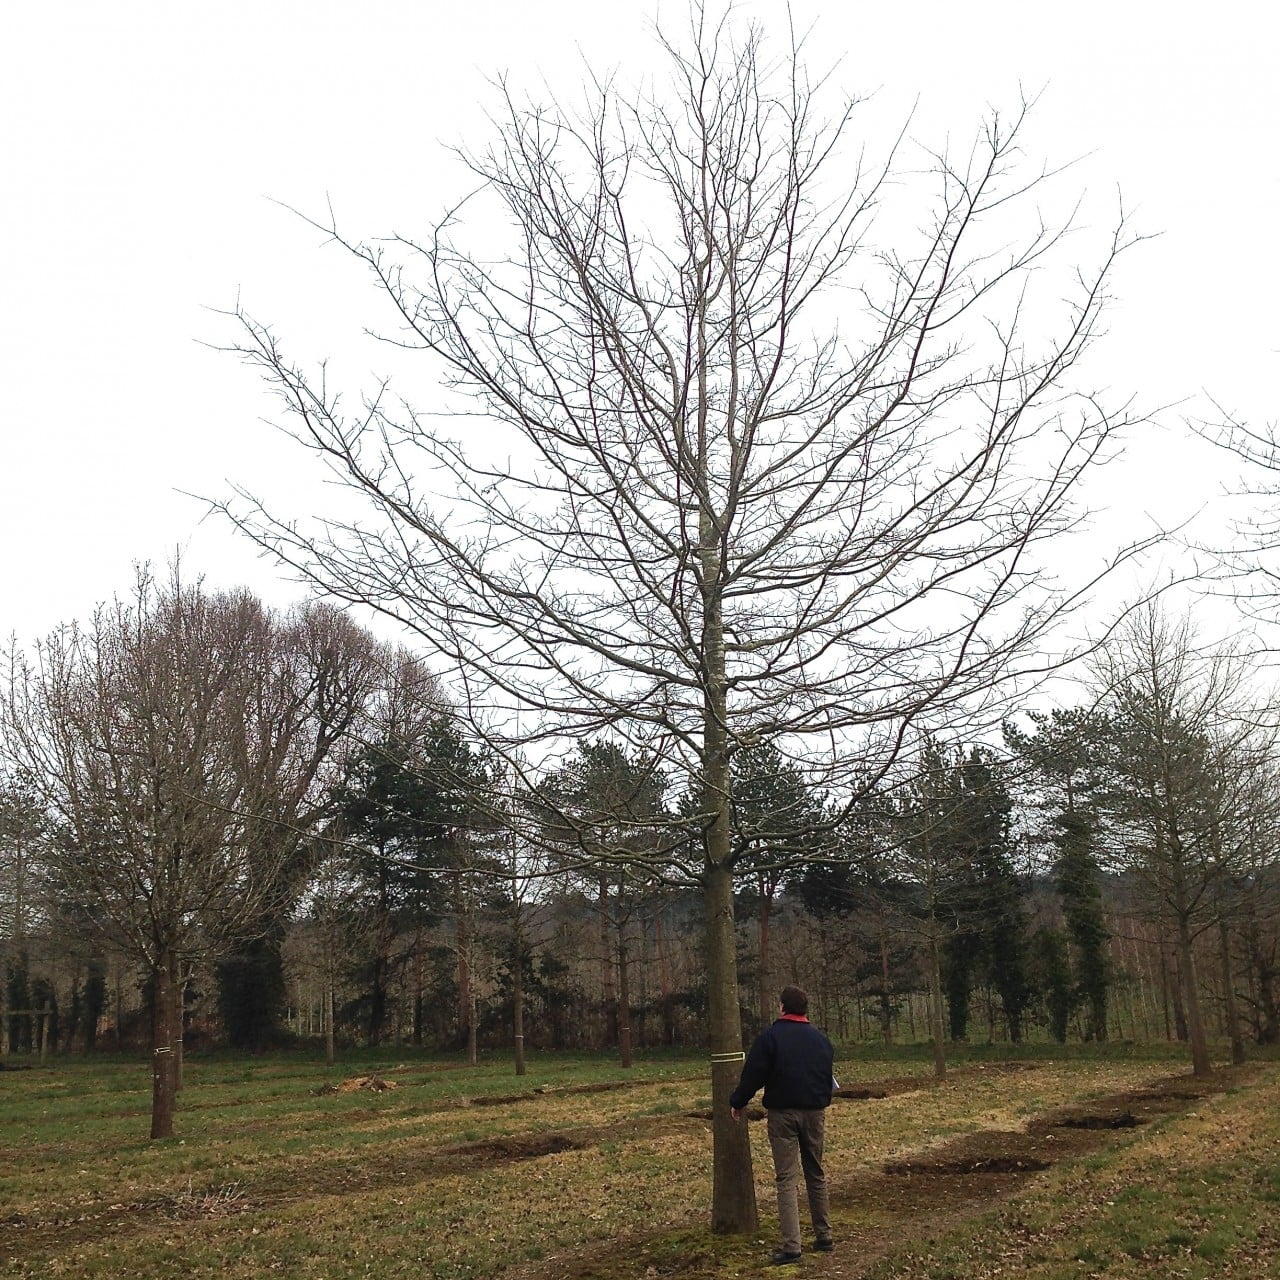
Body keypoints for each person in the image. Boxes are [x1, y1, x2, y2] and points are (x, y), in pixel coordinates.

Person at [730, 984, 835, 1266]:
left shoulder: (770, 1039)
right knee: (816, 1173)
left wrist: (738, 1101)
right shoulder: (821, 1040)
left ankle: (792, 1246)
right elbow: (827, 1077)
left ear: (782, 1007)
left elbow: (753, 1074)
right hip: (815, 1113)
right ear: (805, 1009)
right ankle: (824, 1236)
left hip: (783, 1115)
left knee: (786, 1178)